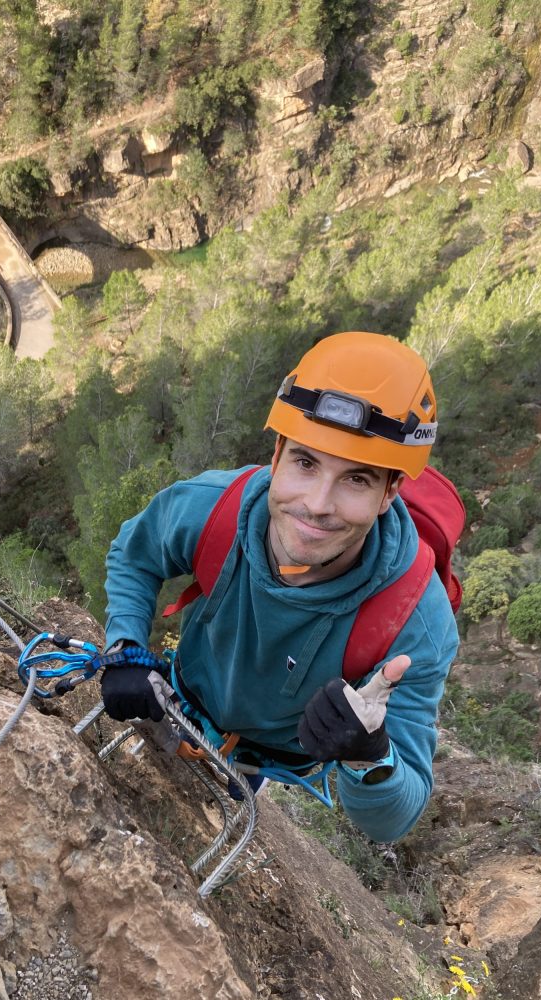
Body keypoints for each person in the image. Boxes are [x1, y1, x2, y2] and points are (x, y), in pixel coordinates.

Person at [100, 332, 459, 842]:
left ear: (390, 492)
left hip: (270, 756)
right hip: (179, 697)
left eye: (356, 479)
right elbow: (135, 555)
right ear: (276, 456)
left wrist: (368, 754)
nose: (317, 504)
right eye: (306, 463)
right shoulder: (214, 508)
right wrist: (127, 644)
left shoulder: (413, 620)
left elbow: (394, 818)